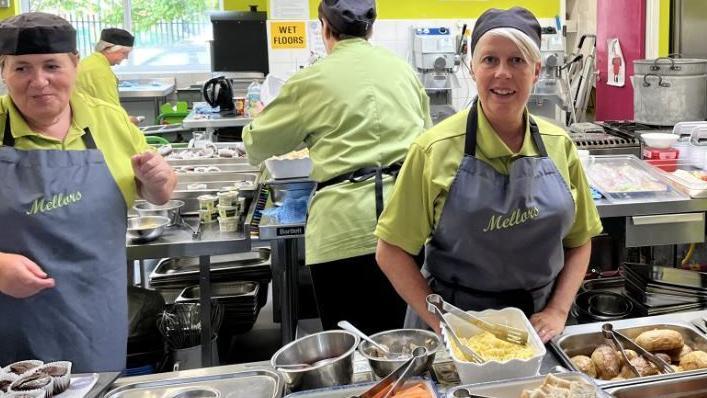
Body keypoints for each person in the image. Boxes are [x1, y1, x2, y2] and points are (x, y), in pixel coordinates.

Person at [375, 7, 602, 343]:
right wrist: (442, 323)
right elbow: (390, 251)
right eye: (490, 60)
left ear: (537, 70)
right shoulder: (433, 150)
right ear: (472, 68)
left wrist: (557, 310)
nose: (502, 73)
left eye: (517, 61)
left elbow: (580, 239)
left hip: (538, 328)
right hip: (458, 325)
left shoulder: (559, 145)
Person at [0, 13, 176, 372]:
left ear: (75, 64)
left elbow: (158, 194)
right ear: (2, 70)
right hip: (11, 326)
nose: (39, 82)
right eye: (21, 69)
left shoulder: (108, 120)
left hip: (95, 317)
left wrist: (159, 181)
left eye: (52, 65)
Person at [243, 0, 431, 335]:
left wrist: (258, 117)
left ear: (324, 28)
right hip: (407, 225)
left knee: (351, 352)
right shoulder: (403, 71)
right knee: (408, 344)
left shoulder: (310, 81)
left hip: (341, 230)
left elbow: (258, 145)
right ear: (371, 28)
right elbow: (427, 145)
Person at [76, 28, 139, 123]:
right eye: (124, 53)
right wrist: (130, 121)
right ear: (110, 49)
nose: (126, 57)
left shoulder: (88, 62)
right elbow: (111, 112)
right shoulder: (102, 73)